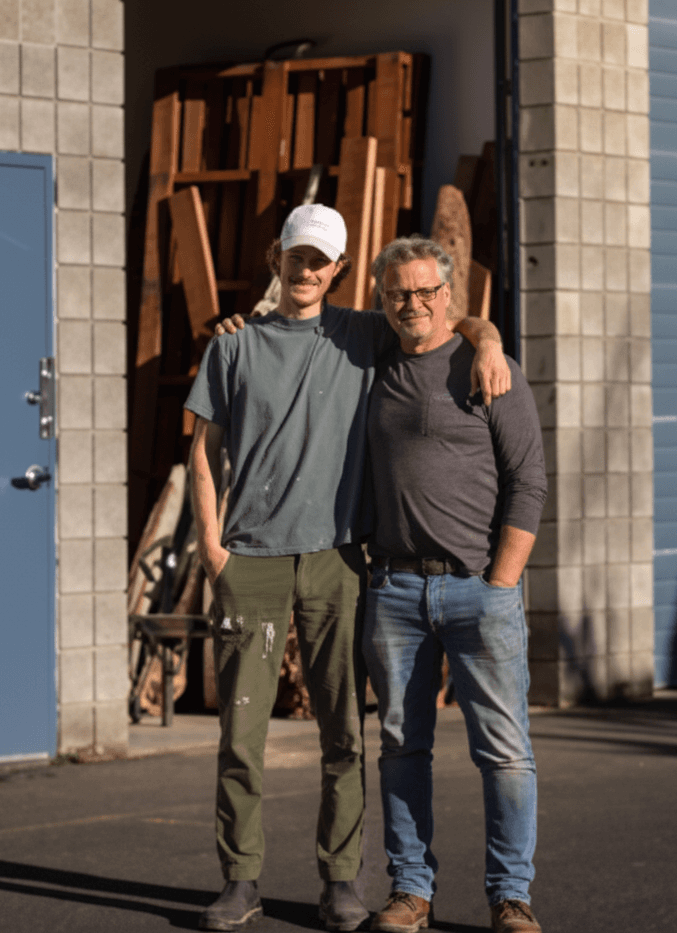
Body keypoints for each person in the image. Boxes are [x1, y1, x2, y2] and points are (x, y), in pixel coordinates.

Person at [184, 205, 510, 933]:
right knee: (241, 737)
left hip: (338, 560)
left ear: (337, 270)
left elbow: (436, 318)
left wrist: (487, 338)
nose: (306, 270)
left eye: (320, 261)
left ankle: (340, 881)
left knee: (344, 733)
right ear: (278, 257)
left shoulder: (363, 332)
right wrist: (213, 549)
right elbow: (201, 452)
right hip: (252, 560)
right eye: (296, 257)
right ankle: (240, 880)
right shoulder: (233, 347)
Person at [362, 236, 547, 933]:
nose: (411, 303)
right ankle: (410, 891)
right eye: (398, 293)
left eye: (424, 291)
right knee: (403, 746)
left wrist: (501, 582)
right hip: (395, 591)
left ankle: (511, 895)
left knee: (502, 751)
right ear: (384, 299)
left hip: (477, 589)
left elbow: (528, 480)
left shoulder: (486, 367)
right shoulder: (373, 359)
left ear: (448, 297)